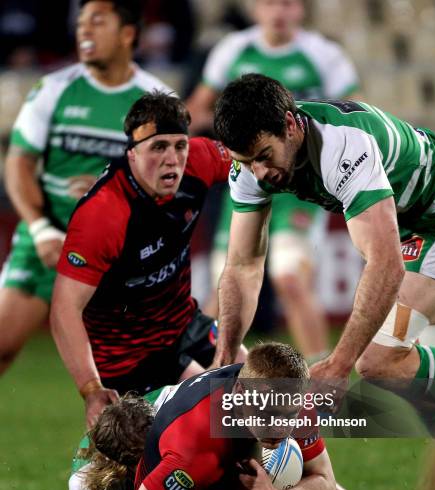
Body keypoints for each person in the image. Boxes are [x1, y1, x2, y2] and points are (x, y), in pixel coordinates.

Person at [212, 74, 435, 490]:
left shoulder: (344, 147)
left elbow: (384, 264)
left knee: (379, 360)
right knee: (422, 386)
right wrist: (226, 351)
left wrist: (339, 363)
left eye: (265, 157)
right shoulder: (250, 168)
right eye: (247, 163)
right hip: (419, 225)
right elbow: (243, 263)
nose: (260, 173)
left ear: (290, 125)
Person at [50, 91, 247, 429]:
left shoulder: (199, 159)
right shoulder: (104, 214)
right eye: (158, 147)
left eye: (179, 145)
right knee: (212, 430)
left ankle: (322, 480)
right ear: (132, 154)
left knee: (266, 393)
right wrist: (91, 388)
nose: (172, 159)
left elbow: (254, 156)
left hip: (183, 324)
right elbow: (64, 308)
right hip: (128, 359)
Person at [0, 0, 171, 377]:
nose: (85, 31)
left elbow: (172, 183)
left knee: (137, 373)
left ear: (128, 34)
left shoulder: (157, 100)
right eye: (80, 24)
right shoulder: (54, 88)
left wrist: (108, 199)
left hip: (121, 253)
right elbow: (19, 163)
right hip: (49, 239)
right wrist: (41, 229)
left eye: (97, 22)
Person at [94, 342, 365, 490]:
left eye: (288, 416)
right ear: (239, 393)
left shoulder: (291, 396)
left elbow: (325, 485)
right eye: (268, 415)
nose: (280, 429)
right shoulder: (196, 438)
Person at [187, 0, 360, 360]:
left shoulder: (323, 54)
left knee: (291, 280)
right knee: (223, 291)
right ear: (254, 9)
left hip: (299, 187)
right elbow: (198, 108)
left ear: (301, 10)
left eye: (288, 3)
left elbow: (354, 113)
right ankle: (210, 385)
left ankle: (323, 390)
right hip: (248, 178)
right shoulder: (232, 50)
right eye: (270, 3)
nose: (279, 11)